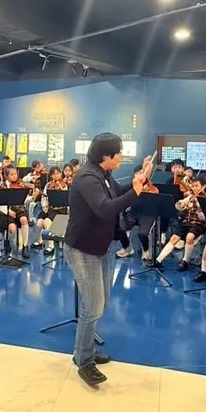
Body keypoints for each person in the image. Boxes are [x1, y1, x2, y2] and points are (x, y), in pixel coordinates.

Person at [64, 133, 152, 387]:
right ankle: (84, 360)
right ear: (106, 156)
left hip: (100, 246)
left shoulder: (103, 173)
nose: (121, 156)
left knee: (100, 303)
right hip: (83, 248)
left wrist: (138, 180)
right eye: (119, 152)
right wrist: (135, 193)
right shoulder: (87, 177)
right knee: (93, 305)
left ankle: (85, 350)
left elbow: (115, 192)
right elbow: (104, 207)